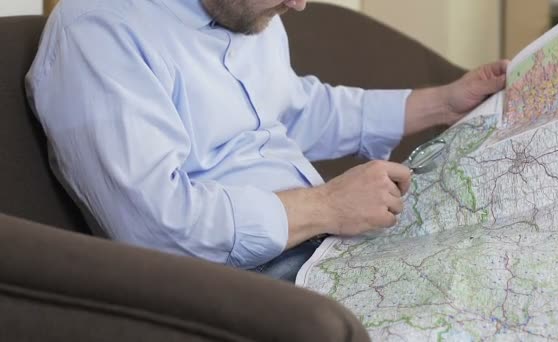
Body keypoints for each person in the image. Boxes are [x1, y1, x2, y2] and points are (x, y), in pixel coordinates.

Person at [26, 0, 508, 282]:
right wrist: (325, 206)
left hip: (327, 246)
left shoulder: (249, 15)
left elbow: (297, 108)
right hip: (246, 285)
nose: (298, 5)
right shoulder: (100, 31)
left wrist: (444, 103)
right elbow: (157, 226)